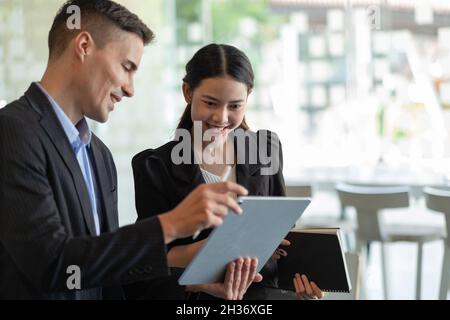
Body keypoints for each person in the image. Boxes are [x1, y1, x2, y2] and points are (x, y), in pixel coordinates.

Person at [0, 1, 260, 300]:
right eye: (127, 67)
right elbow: (51, 263)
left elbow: (106, 276)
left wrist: (193, 282)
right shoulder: (12, 132)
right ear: (84, 45)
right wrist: (171, 224)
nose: (130, 88)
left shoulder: (99, 156)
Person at [129, 43, 324, 300]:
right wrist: (218, 251)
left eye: (234, 106)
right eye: (211, 103)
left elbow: (283, 239)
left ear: (248, 98)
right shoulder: (155, 166)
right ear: (188, 92)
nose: (221, 117)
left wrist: (299, 289)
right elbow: (149, 261)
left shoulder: (266, 149)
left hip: (263, 297)